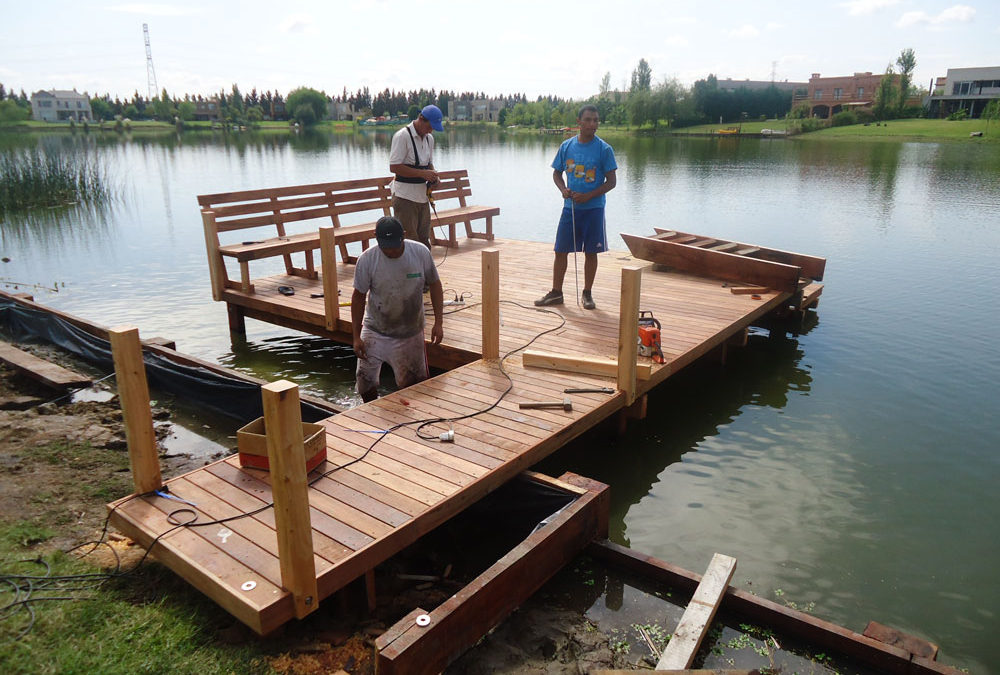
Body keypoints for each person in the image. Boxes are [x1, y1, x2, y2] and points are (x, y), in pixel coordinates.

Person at [351, 216, 444, 402]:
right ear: (375, 238)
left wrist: (438, 323)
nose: (391, 251)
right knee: (364, 380)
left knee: (413, 385)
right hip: (375, 328)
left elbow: (435, 284)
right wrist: (355, 336)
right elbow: (358, 297)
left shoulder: (420, 252)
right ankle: (369, 407)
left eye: (395, 245)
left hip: (410, 331)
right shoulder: (367, 259)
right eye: (386, 246)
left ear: (404, 235)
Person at [535, 104, 617, 310]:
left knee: (591, 252)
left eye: (596, 120)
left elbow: (611, 182)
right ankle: (556, 293)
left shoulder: (604, 149)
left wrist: (589, 195)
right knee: (560, 250)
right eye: (588, 120)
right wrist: (563, 189)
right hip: (570, 209)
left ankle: (587, 294)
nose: (593, 124)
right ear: (579, 122)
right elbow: (556, 173)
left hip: (594, 209)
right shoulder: (567, 146)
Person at [389, 104, 444, 252]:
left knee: (424, 241)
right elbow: (394, 167)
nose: (431, 130)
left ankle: (424, 273)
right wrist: (422, 174)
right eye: (430, 126)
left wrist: (434, 178)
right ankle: (408, 274)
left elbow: (429, 164)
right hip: (405, 197)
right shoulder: (402, 136)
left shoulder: (429, 139)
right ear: (421, 119)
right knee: (409, 242)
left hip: (422, 198)